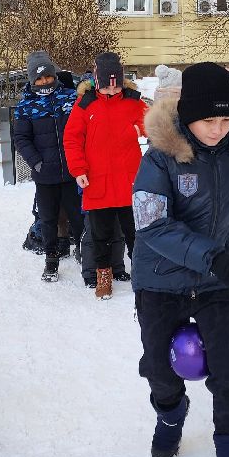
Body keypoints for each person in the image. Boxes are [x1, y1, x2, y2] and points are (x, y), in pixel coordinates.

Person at [131, 63, 229, 457]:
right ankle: (170, 413)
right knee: (160, 366)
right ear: (187, 115)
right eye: (208, 119)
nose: (217, 128)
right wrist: (212, 256)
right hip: (161, 282)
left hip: (213, 284)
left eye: (225, 119)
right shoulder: (159, 158)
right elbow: (150, 225)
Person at [64, 51, 147, 300]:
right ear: (97, 83)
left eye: (116, 86)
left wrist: (138, 128)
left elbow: (154, 124)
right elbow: (72, 139)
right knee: (100, 234)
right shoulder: (85, 104)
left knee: (135, 233)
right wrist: (78, 170)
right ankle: (103, 275)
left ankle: (141, 273)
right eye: (107, 87)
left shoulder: (133, 102)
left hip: (129, 180)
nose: (112, 92)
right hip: (97, 181)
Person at [12, 50, 82, 283]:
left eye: (48, 77)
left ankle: (84, 252)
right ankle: (51, 258)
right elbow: (21, 139)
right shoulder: (26, 106)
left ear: (55, 75)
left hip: (73, 172)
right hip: (45, 174)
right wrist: (36, 162)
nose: (45, 82)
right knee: (48, 218)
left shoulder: (71, 98)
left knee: (78, 215)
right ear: (32, 81)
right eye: (39, 79)